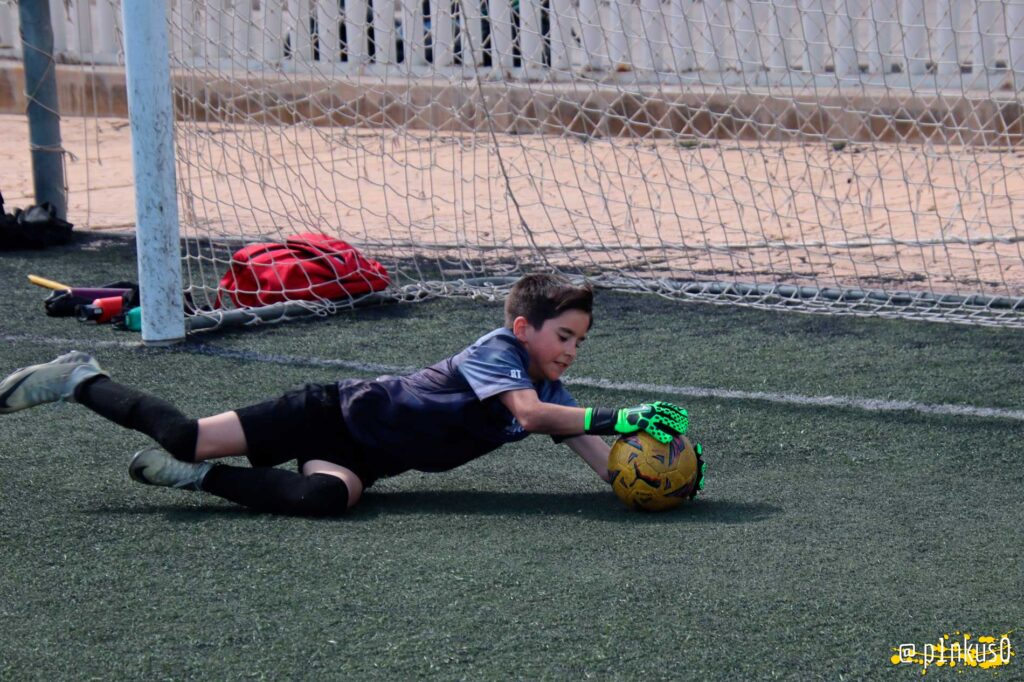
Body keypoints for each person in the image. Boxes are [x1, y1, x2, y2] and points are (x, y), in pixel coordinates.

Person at [0, 274, 691, 517]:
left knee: (324, 500)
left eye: (580, 341)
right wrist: (626, 413)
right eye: (565, 336)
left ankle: (199, 481)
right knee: (183, 431)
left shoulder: (552, 388)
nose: (570, 350)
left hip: (361, 457)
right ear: (524, 328)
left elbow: (598, 456)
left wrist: (661, 480)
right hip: (329, 411)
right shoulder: (498, 354)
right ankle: (80, 376)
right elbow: (533, 417)